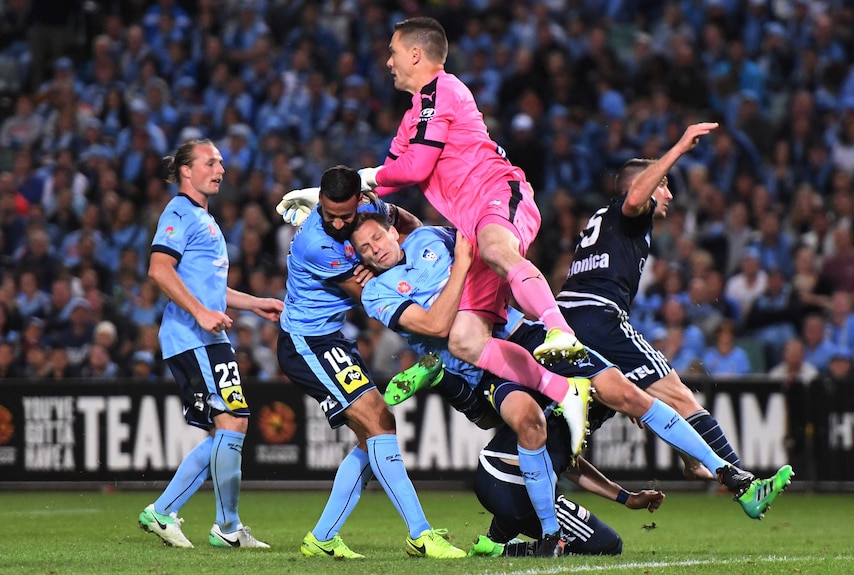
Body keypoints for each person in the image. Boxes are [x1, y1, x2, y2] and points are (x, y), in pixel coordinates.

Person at [348, 213, 794, 528]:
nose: (377, 249)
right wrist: (463, 266)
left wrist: (385, 204)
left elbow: (438, 230)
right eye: (366, 249)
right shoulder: (376, 292)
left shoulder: (427, 239)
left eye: (379, 237)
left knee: (622, 392)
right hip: (477, 367)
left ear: (391, 230)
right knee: (522, 421)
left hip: (524, 333)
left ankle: (729, 474)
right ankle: (539, 530)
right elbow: (439, 325)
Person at [354, 16, 593, 457]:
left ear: (415, 54)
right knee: (464, 341)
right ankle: (565, 391)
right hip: (472, 227)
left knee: (495, 248)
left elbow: (415, 169)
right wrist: (326, 193)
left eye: (392, 51)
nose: (387, 61)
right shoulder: (411, 117)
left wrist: (361, 177)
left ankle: (562, 335)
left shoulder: (444, 90)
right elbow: (386, 181)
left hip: (499, 195)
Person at [276, 165, 466, 559]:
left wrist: (412, 245)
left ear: (360, 201)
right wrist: (405, 263)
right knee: (379, 418)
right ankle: (420, 533)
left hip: (332, 338)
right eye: (330, 215)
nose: (340, 223)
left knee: (372, 433)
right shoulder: (317, 243)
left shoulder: (369, 208)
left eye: (347, 215)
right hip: (306, 341)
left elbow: (404, 223)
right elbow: (371, 292)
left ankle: (322, 537)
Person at [556, 123, 747, 474]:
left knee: (595, 413)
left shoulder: (604, 219)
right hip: (599, 316)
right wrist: (677, 149)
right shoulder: (630, 213)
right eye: (664, 185)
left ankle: (526, 489)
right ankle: (740, 477)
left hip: (563, 321)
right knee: (679, 395)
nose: (670, 195)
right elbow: (633, 198)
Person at [138, 139, 283, 549]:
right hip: (192, 336)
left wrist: (255, 304)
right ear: (186, 170)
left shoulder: (205, 217)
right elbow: (159, 269)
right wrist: (201, 314)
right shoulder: (179, 211)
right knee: (232, 422)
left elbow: (211, 287)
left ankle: (216, 523)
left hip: (209, 336)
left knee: (230, 426)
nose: (220, 168)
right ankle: (211, 523)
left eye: (220, 162)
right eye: (210, 162)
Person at [469, 394, 665, 558]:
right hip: (517, 488)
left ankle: (493, 539)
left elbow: (568, 463)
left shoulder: (574, 386)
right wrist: (637, 401)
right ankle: (501, 551)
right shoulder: (590, 390)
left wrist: (626, 497)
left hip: (488, 472)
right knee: (608, 545)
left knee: (536, 478)